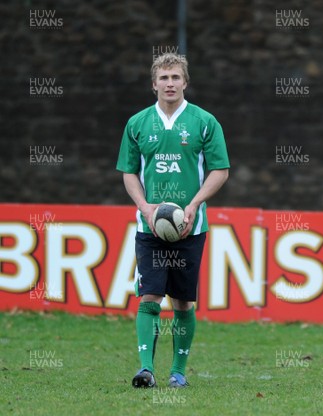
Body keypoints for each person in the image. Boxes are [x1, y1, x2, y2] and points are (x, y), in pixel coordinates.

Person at [116, 53, 230, 388]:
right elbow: (129, 173)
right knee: (149, 295)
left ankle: (178, 372)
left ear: (185, 82)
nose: (170, 83)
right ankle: (146, 369)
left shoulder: (205, 122)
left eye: (176, 77)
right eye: (163, 78)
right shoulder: (137, 123)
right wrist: (146, 208)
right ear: (154, 84)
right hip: (150, 226)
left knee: (183, 301)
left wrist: (194, 204)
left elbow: (220, 170)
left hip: (189, 226)